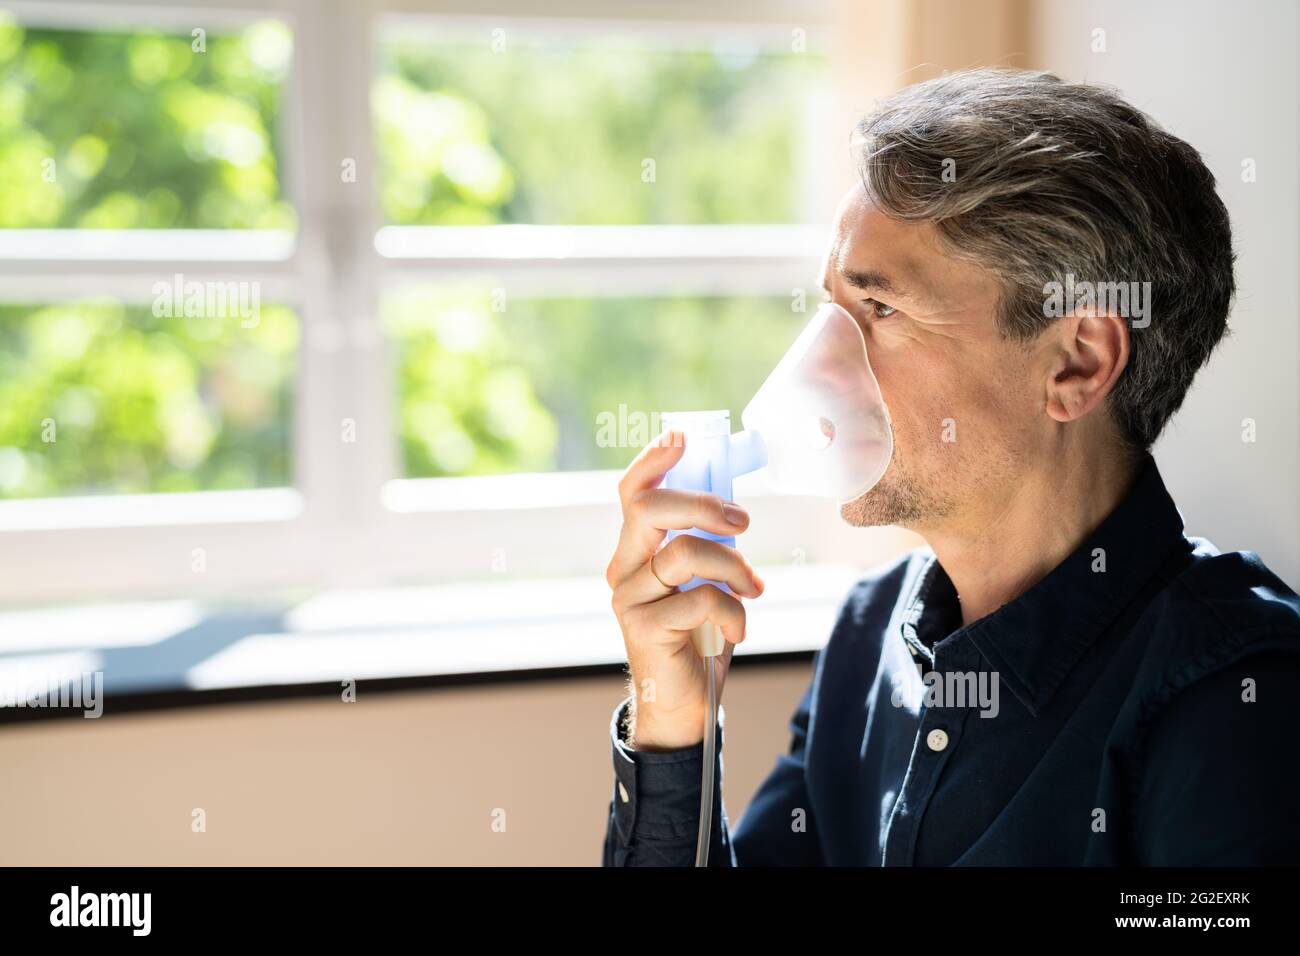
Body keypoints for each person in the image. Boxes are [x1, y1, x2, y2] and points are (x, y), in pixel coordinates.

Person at [601, 67, 1300, 866]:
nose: (819, 368)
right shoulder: (871, 637)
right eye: (831, 311)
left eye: (882, 310)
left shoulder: (1238, 698)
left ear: (1077, 362)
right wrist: (671, 717)